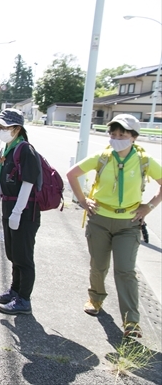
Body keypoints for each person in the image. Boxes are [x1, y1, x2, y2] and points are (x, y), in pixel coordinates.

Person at [66, 114, 161, 338]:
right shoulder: (103, 156)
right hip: (99, 218)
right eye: (114, 134)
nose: (117, 138)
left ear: (133, 138)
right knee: (98, 266)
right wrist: (82, 200)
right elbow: (72, 174)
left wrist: (149, 206)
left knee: (125, 270)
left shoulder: (144, 160)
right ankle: (95, 299)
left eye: (123, 135)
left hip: (129, 223)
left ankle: (131, 321)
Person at [0, 108, 41, 315]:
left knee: (24, 256)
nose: (1, 130)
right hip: (9, 207)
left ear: (17, 128)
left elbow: (28, 183)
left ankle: (24, 299)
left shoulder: (25, 150)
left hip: (25, 211)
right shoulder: (8, 149)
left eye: (5, 127)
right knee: (13, 253)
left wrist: (18, 212)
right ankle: (15, 290)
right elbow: (2, 180)